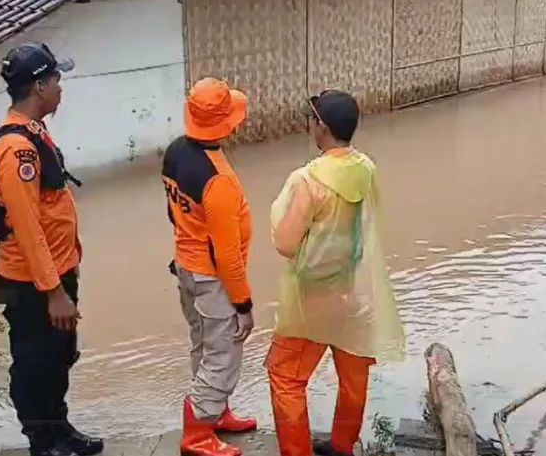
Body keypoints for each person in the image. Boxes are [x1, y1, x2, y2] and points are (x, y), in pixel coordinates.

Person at [0, 42, 103, 456]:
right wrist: (54, 293)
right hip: (31, 283)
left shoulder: (33, 132)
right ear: (38, 87)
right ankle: (42, 443)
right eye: (56, 79)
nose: (61, 87)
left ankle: (60, 429)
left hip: (55, 273)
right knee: (34, 364)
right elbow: (28, 229)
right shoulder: (16, 151)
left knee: (59, 358)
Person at [265, 90, 406, 456]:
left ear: (321, 129)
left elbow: (285, 242)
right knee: (353, 372)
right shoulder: (366, 168)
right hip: (353, 288)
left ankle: (297, 451)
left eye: (312, 121)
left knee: (286, 376)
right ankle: (343, 445)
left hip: (311, 295)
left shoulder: (306, 180)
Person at [162, 77, 259, 456]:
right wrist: (244, 305)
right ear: (227, 122)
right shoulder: (218, 181)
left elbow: (173, 212)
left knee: (203, 344)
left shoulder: (175, 152)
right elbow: (227, 254)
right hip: (212, 277)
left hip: (186, 267)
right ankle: (197, 435)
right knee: (224, 351)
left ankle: (214, 413)